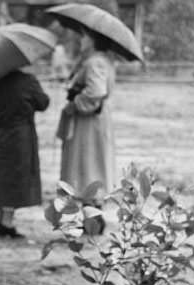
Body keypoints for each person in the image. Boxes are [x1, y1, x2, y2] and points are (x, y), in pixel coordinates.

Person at [57, 26, 116, 230]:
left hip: (88, 122)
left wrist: (76, 102)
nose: (80, 42)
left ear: (92, 40)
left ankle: (92, 212)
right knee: (91, 163)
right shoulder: (97, 61)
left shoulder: (95, 62)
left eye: (84, 38)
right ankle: (92, 212)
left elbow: (96, 91)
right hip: (92, 122)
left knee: (87, 164)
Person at [0, 69, 50, 239]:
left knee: (0, 178)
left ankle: (1, 221)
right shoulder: (28, 81)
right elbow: (43, 103)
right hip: (21, 137)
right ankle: (6, 223)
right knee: (15, 179)